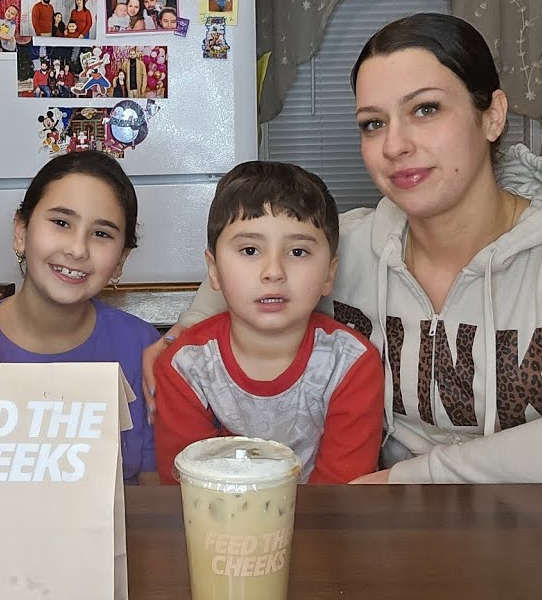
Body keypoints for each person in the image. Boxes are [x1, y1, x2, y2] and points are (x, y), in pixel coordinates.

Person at [143, 13, 542, 490]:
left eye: (425, 109)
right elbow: (235, 281)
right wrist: (174, 338)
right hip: (394, 537)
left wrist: (412, 477)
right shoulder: (348, 245)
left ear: (492, 115)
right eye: (373, 123)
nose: (394, 144)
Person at [153, 161, 383, 484]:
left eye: (299, 252)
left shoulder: (350, 365)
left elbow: (340, 499)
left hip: (322, 530)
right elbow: (188, 490)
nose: (273, 271)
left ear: (329, 273)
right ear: (214, 269)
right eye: (250, 250)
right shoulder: (186, 369)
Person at [0, 151, 158, 485]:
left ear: (121, 259)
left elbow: (155, 494)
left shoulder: (144, 349)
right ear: (21, 231)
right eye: (61, 223)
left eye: (102, 234)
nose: (78, 249)